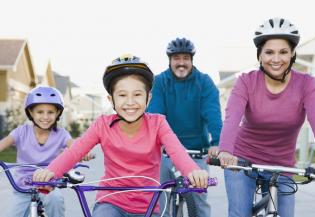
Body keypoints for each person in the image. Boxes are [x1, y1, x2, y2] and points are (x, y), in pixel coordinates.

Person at [32, 54, 210, 217]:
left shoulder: (158, 123)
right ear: (111, 100)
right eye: (122, 95)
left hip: (149, 204)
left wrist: (193, 172)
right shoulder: (102, 124)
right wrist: (50, 172)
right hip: (111, 201)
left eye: (137, 94)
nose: (130, 102)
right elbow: (75, 152)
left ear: (148, 98)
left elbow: (177, 152)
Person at [216, 17, 315, 217]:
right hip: (242, 161)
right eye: (269, 52)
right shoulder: (246, 82)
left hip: (282, 165)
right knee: (240, 213)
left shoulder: (307, 85)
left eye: (283, 52)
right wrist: (225, 150)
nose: (276, 59)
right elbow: (232, 118)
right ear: (259, 56)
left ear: (292, 54)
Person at [147, 37, 222, 217]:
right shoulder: (159, 82)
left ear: (191, 60)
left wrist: (217, 141)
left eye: (185, 58)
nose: (181, 63)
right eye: (177, 58)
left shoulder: (204, 82)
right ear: (170, 60)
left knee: (199, 202)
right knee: (160, 203)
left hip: (196, 152)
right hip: (165, 152)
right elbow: (156, 116)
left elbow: (212, 114)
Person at [0, 86, 72, 217]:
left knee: (55, 200)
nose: (45, 117)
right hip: (23, 186)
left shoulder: (61, 134)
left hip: (48, 184)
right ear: (31, 113)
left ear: (57, 114)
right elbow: (3, 143)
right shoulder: (21, 132)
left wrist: (84, 152)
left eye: (50, 112)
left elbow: (75, 146)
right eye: (40, 112)